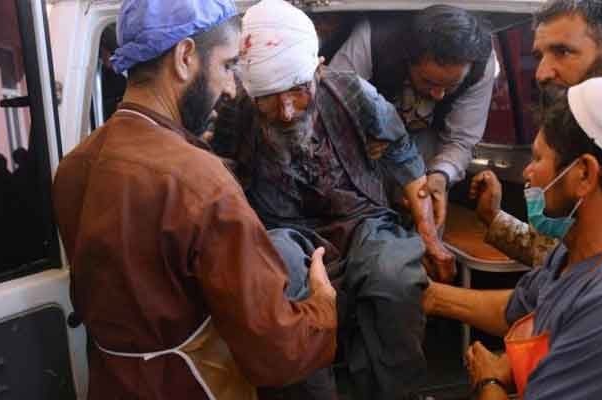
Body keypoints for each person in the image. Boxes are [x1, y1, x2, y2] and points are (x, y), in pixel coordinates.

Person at [52, 1, 338, 399]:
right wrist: (323, 305)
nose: (232, 88)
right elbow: (278, 350)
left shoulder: (73, 166)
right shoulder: (200, 181)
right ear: (185, 57)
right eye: (227, 65)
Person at [227, 1, 456, 398]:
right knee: (279, 276)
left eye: (297, 90)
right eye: (269, 97)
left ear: (318, 69)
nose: (285, 111)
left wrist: (430, 237)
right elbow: (219, 184)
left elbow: (403, 155)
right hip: (282, 229)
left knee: (394, 277)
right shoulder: (232, 114)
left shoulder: (353, 92)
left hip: (363, 220)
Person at [429, 75, 602, 399]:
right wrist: (431, 296)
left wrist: (490, 381)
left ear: (584, 174)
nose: (527, 171)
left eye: (538, 158)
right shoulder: (575, 249)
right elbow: (520, 308)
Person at [471, 0, 602, 267]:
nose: (541, 74)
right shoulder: (576, 135)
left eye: (562, 52)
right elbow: (568, 255)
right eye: (539, 56)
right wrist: (494, 219)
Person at [330, 5, 496, 230]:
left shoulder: (481, 64)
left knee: (426, 222)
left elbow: (461, 140)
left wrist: (441, 175)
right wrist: (356, 138)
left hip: (429, 142)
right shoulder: (371, 40)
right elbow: (329, 105)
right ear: (408, 59)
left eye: (451, 86)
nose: (438, 95)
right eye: (428, 81)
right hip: (360, 149)